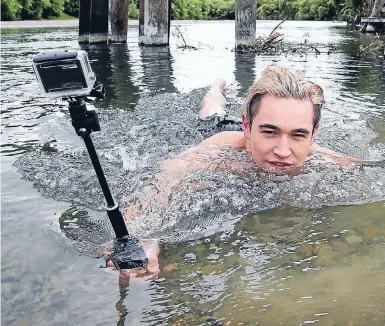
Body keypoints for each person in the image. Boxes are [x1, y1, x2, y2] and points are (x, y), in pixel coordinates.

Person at [105, 66, 358, 282]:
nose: (283, 151)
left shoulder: (324, 158)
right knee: (211, 109)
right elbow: (162, 183)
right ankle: (216, 87)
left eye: (298, 135)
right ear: (247, 126)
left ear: (313, 135)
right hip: (220, 131)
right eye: (270, 132)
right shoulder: (218, 152)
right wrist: (142, 240)